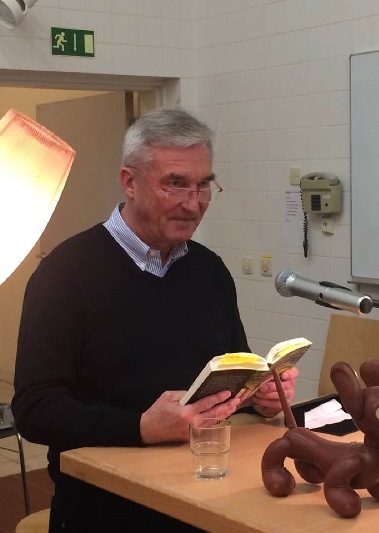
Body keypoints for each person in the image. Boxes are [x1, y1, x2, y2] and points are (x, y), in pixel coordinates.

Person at [12, 107, 299, 532]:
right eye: (175, 184)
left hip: (204, 497)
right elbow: (35, 410)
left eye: (203, 185)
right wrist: (141, 427)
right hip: (107, 510)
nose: (193, 203)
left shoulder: (209, 270)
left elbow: (228, 372)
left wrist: (258, 396)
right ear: (129, 182)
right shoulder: (64, 273)